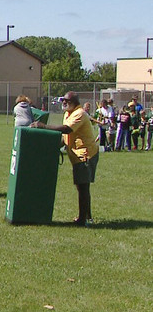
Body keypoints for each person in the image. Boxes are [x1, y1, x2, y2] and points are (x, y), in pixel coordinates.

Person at [31, 91, 99, 226]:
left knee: (83, 187)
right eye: (63, 100)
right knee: (81, 186)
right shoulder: (68, 114)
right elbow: (66, 137)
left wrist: (43, 126)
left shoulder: (79, 113)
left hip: (85, 155)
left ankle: (82, 219)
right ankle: (87, 216)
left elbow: (67, 129)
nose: (63, 102)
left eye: (66, 101)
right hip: (77, 155)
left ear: (74, 102)